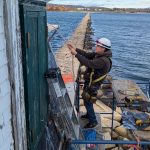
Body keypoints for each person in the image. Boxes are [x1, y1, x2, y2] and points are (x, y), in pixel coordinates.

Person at [67, 37, 112, 128]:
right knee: (87, 100)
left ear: (103, 48)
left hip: (93, 85)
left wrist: (76, 54)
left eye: (98, 46)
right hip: (91, 83)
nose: (96, 47)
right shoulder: (99, 55)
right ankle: (89, 115)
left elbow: (88, 63)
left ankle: (93, 121)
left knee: (88, 102)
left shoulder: (103, 61)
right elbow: (87, 55)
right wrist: (76, 49)